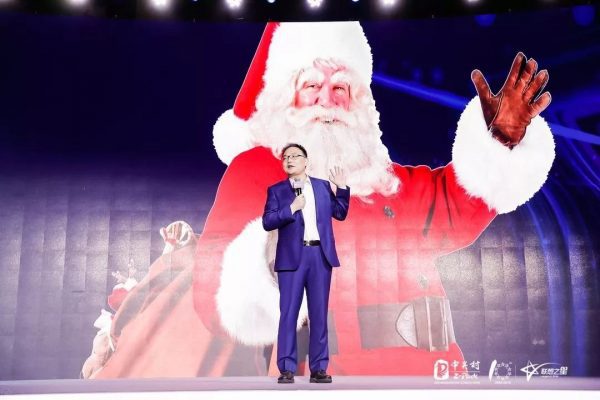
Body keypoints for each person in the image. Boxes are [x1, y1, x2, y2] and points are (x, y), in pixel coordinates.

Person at [93, 21, 555, 378]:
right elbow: (215, 293)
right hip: (332, 380)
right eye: (312, 86)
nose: (327, 101)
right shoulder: (255, 169)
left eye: (340, 88)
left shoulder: (382, 178)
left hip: (435, 377)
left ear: (359, 103)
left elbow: (455, 206)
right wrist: (271, 256)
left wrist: (500, 139)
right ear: (286, 100)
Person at [262, 143, 350, 383]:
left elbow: (340, 213)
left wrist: (342, 188)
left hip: (320, 256)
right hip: (292, 258)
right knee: (288, 314)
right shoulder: (277, 191)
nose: (289, 160)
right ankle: (286, 368)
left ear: (306, 161)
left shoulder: (322, 187)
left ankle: (319, 368)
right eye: (285, 157)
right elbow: (268, 221)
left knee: (318, 314)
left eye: (295, 156)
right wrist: (291, 208)